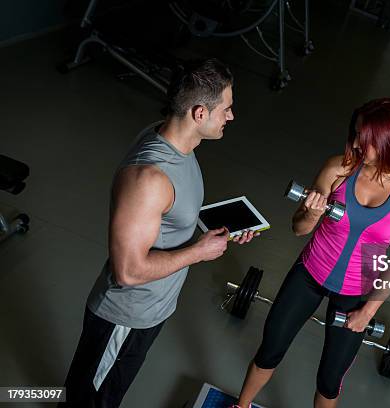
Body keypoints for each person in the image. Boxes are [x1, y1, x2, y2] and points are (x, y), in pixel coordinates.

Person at [62, 58, 258, 407]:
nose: (231, 116)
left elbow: (170, 217)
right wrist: (199, 252)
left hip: (152, 309)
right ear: (200, 113)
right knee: (92, 400)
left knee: (103, 391)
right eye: (226, 109)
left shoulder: (177, 141)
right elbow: (128, 271)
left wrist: (215, 235)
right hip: (124, 316)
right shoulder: (149, 178)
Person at [233, 98, 390, 408]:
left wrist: (368, 312)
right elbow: (298, 228)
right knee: (270, 348)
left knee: (329, 378)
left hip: (356, 293)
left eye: (365, 141)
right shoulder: (338, 168)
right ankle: (240, 406)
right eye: (354, 134)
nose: (354, 144)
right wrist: (311, 214)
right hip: (310, 273)